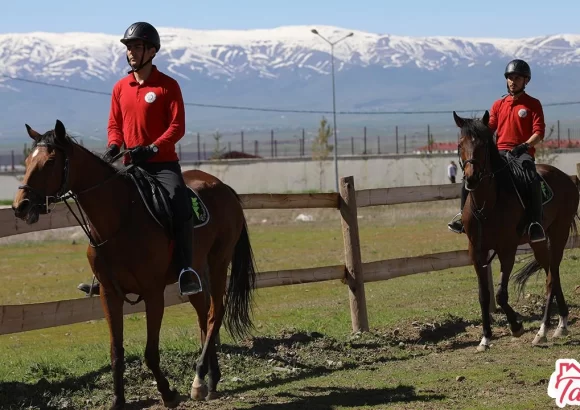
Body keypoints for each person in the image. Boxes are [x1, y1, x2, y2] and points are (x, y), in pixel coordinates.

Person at [77, 22, 202, 296]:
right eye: (129, 48)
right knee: (108, 209)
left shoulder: (168, 86)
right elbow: (114, 124)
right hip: (130, 165)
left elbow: (176, 127)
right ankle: (104, 274)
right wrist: (113, 146)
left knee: (178, 203)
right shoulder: (120, 87)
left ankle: (185, 269)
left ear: (152, 51)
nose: (131, 52)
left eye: (136, 47)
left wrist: (153, 148)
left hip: (162, 166)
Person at [447, 59, 546, 243]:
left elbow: (539, 133)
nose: (512, 81)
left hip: (522, 153)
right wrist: (471, 129)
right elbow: (488, 129)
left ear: (526, 81)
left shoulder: (533, 104)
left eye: (517, 77)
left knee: (531, 177)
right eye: (509, 77)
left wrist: (524, 146)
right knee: (469, 178)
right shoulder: (498, 105)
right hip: (500, 152)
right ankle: (463, 217)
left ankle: (535, 223)